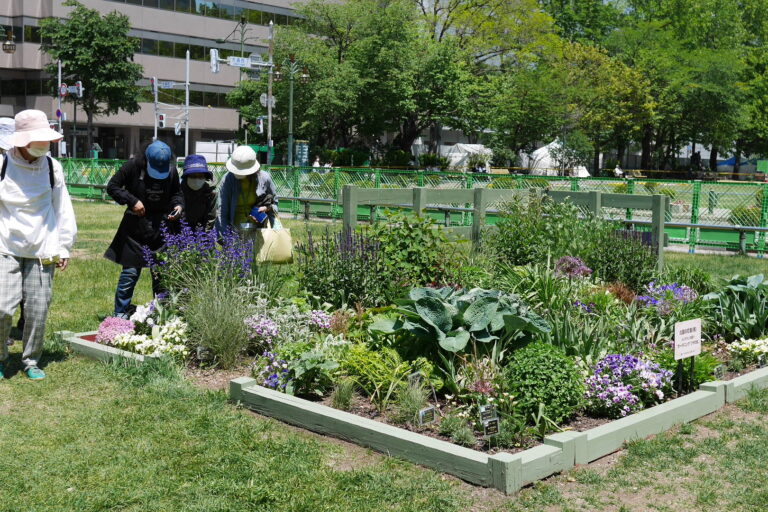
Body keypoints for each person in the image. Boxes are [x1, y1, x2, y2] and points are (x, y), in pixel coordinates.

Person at [0, 109, 77, 380]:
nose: (43, 145)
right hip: (5, 245)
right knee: (2, 308)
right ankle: (0, 356)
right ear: (21, 141)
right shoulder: (3, 165)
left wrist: (64, 246)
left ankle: (31, 360)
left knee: (37, 309)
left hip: (43, 247)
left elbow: (62, 208)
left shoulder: (52, 168)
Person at [105, 140, 183, 319]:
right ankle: (120, 314)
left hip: (160, 230)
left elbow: (177, 194)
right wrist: (132, 201)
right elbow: (112, 187)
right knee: (130, 273)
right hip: (134, 229)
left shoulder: (171, 171)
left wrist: (178, 206)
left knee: (160, 275)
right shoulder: (132, 166)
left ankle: (161, 314)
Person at [217, 145, 278, 235]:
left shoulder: (264, 178)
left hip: (259, 231)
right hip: (233, 232)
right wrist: (225, 237)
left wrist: (266, 208)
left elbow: (275, 204)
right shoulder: (227, 180)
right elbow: (222, 211)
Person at [180, 154, 217, 231]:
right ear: (186, 177)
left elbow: (211, 218)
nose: (196, 179)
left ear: (205, 177)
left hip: (202, 232)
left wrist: (205, 236)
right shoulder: (179, 191)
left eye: (200, 176)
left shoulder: (211, 193)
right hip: (181, 231)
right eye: (193, 176)